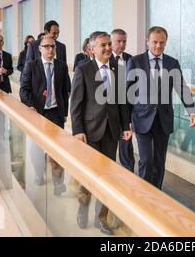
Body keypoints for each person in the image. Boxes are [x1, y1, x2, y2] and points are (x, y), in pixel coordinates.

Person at [70, 31, 131, 235]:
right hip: (89, 131)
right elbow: (76, 104)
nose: (107, 48)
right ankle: (82, 207)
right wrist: (77, 130)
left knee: (108, 177)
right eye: (102, 45)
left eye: (108, 45)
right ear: (92, 48)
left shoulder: (118, 69)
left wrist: (125, 126)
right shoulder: (83, 69)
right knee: (89, 175)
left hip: (112, 132)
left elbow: (122, 102)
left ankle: (101, 217)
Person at [126, 26, 195, 189]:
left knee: (159, 161)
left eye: (162, 43)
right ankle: (144, 196)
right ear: (147, 41)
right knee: (146, 159)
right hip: (141, 118)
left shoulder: (172, 63)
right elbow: (127, 93)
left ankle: (156, 195)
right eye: (154, 42)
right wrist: (126, 121)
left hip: (163, 119)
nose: (158, 46)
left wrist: (192, 111)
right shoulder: (135, 61)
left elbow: (181, 87)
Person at [20, 37, 71, 196]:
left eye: (53, 46)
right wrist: (31, 106)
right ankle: (38, 172)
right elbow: (24, 90)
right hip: (38, 113)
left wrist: (64, 113)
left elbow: (65, 91)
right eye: (46, 46)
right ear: (39, 49)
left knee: (57, 149)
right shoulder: (31, 66)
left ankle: (58, 183)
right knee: (36, 148)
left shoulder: (61, 66)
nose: (50, 49)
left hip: (55, 113)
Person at [109, 29, 135, 173]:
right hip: (110, 110)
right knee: (109, 148)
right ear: (111, 42)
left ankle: (128, 175)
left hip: (127, 110)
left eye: (124, 41)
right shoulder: (105, 60)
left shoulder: (132, 60)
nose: (122, 44)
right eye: (118, 41)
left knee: (126, 146)